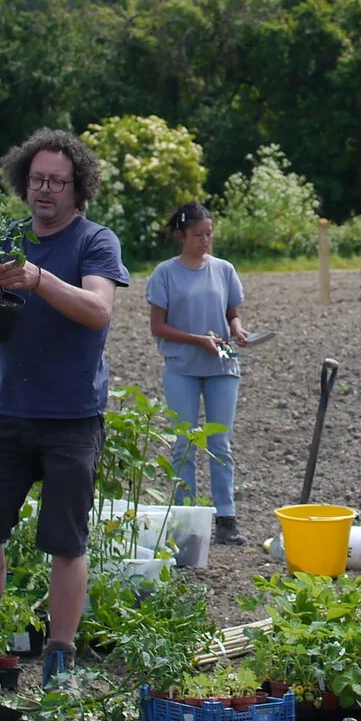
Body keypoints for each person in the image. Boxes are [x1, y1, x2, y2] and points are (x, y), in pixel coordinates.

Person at [0, 129, 130, 699]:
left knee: (66, 540)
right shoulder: (4, 241)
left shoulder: (95, 242)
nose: (44, 190)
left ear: (78, 190)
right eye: (37, 180)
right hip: (12, 413)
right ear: (25, 182)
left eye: (57, 182)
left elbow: (98, 310)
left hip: (73, 416)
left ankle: (60, 658)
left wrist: (40, 279)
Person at [146, 200, 249, 547]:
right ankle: (185, 520)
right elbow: (158, 327)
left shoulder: (224, 269)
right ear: (182, 235)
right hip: (182, 369)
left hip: (222, 366)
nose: (205, 241)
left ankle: (226, 517)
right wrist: (197, 340)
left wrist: (237, 329)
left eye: (209, 234)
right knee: (185, 444)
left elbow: (231, 312)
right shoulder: (164, 274)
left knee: (220, 444)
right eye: (198, 235)